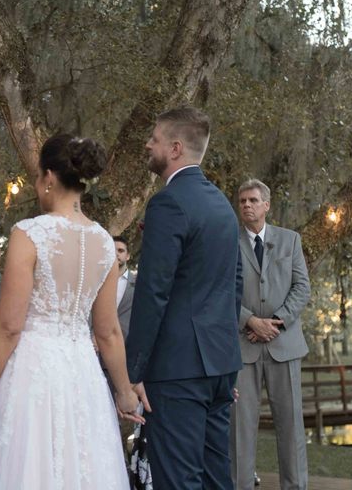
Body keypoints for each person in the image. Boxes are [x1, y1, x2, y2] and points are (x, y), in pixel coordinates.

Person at [0, 134, 142, 489]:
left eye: (37, 177)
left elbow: (8, 327)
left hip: (32, 372)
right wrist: (124, 389)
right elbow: (108, 332)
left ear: (49, 177)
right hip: (83, 372)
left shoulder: (28, 233)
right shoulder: (103, 242)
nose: (37, 185)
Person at [127, 106, 243, 490]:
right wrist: (225, 350)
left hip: (177, 368)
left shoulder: (168, 203)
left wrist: (134, 371)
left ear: (175, 148)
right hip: (220, 364)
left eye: (155, 139)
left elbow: (153, 291)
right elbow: (235, 281)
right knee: (215, 478)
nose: (148, 144)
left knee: (178, 480)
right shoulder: (222, 205)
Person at [231, 180, 309, 490]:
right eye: (242, 201)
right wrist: (250, 321)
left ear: (267, 205)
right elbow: (221, 290)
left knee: (290, 425)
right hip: (242, 346)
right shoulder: (228, 242)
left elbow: (302, 287)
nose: (246, 205)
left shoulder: (290, 241)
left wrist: (275, 321)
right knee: (240, 428)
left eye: (252, 200)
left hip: (284, 345)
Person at [112, 235, 135, 341]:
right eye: (112, 250)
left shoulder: (137, 285)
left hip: (123, 344)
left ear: (128, 256)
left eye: (120, 251)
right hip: (92, 343)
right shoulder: (96, 280)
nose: (116, 254)